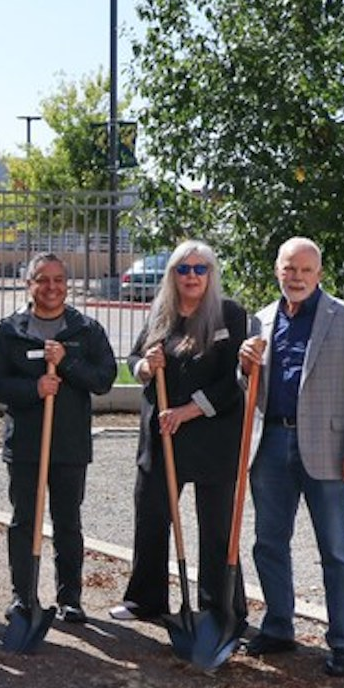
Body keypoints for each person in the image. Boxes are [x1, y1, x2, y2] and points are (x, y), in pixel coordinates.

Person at [238, 236, 344, 677]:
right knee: (268, 543)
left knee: (335, 549)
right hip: (271, 442)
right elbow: (248, 391)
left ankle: (341, 642)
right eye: (288, 269)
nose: (296, 277)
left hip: (330, 449)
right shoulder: (260, 320)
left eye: (305, 270)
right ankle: (278, 628)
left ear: (319, 274)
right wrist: (244, 368)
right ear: (277, 270)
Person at [109, 241, 249, 633]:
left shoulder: (229, 314)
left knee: (217, 527)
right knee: (151, 515)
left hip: (212, 434)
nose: (191, 276)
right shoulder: (161, 313)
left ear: (211, 274)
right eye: (183, 269)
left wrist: (189, 411)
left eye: (199, 269)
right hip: (163, 435)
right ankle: (145, 600)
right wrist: (145, 369)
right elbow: (135, 358)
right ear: (172, 274)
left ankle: (220, 608)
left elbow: (233, 381)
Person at [0, 253, 116, 623]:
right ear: (30, 285)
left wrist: (69, 363)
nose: (52, 287)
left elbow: (105, 378)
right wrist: (34, 387)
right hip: (25, 443)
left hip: (69, 444)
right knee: (24, 520)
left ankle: (70, 598)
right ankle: (23, 596)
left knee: (68, 521)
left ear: (67, 285)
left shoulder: (85, 330)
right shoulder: (11, 330)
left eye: (58, 280)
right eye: (43, 280)